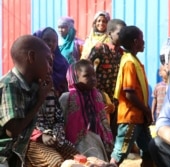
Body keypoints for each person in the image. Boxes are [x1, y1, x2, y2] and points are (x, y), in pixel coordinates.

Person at [0, 35, 53, 166]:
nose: (50, 68)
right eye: (48, 61)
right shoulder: (10, 85)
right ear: (32, 57)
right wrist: (40, 100)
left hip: (15, 157)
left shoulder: (33, 86)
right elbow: (13, 130)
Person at [109, 26, 153, 167]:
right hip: (131, 117)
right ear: (135, 42)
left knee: (150, 149)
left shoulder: (133, 60)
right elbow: (129, 93)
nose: (144, 42)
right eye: (142, 39)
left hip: (139, 117)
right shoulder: (129, 62)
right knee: (120, 152)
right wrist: (146, 109)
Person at [59, 60, 114, 162]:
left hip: (97, 141)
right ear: (75, 78)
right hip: (75, 144)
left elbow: (103, 120)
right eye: (87, 76)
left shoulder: (97, 96)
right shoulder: (66, 98)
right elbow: (61, 122)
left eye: (94, 75)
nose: (93, 79)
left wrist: (108, 141)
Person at [88, 18, 127, 137]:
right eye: (120, 33)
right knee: (101, 128)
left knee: (114, 129)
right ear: (110, 33)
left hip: (117, 100)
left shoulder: (123, 54)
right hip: (101, 98)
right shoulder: (100, 48)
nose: (123, 36)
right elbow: (87, 67)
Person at [33, 27, 69, 97]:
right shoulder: (32, 61)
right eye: (46, 40)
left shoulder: (63, 63)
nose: (50, 43)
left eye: (54, 41)